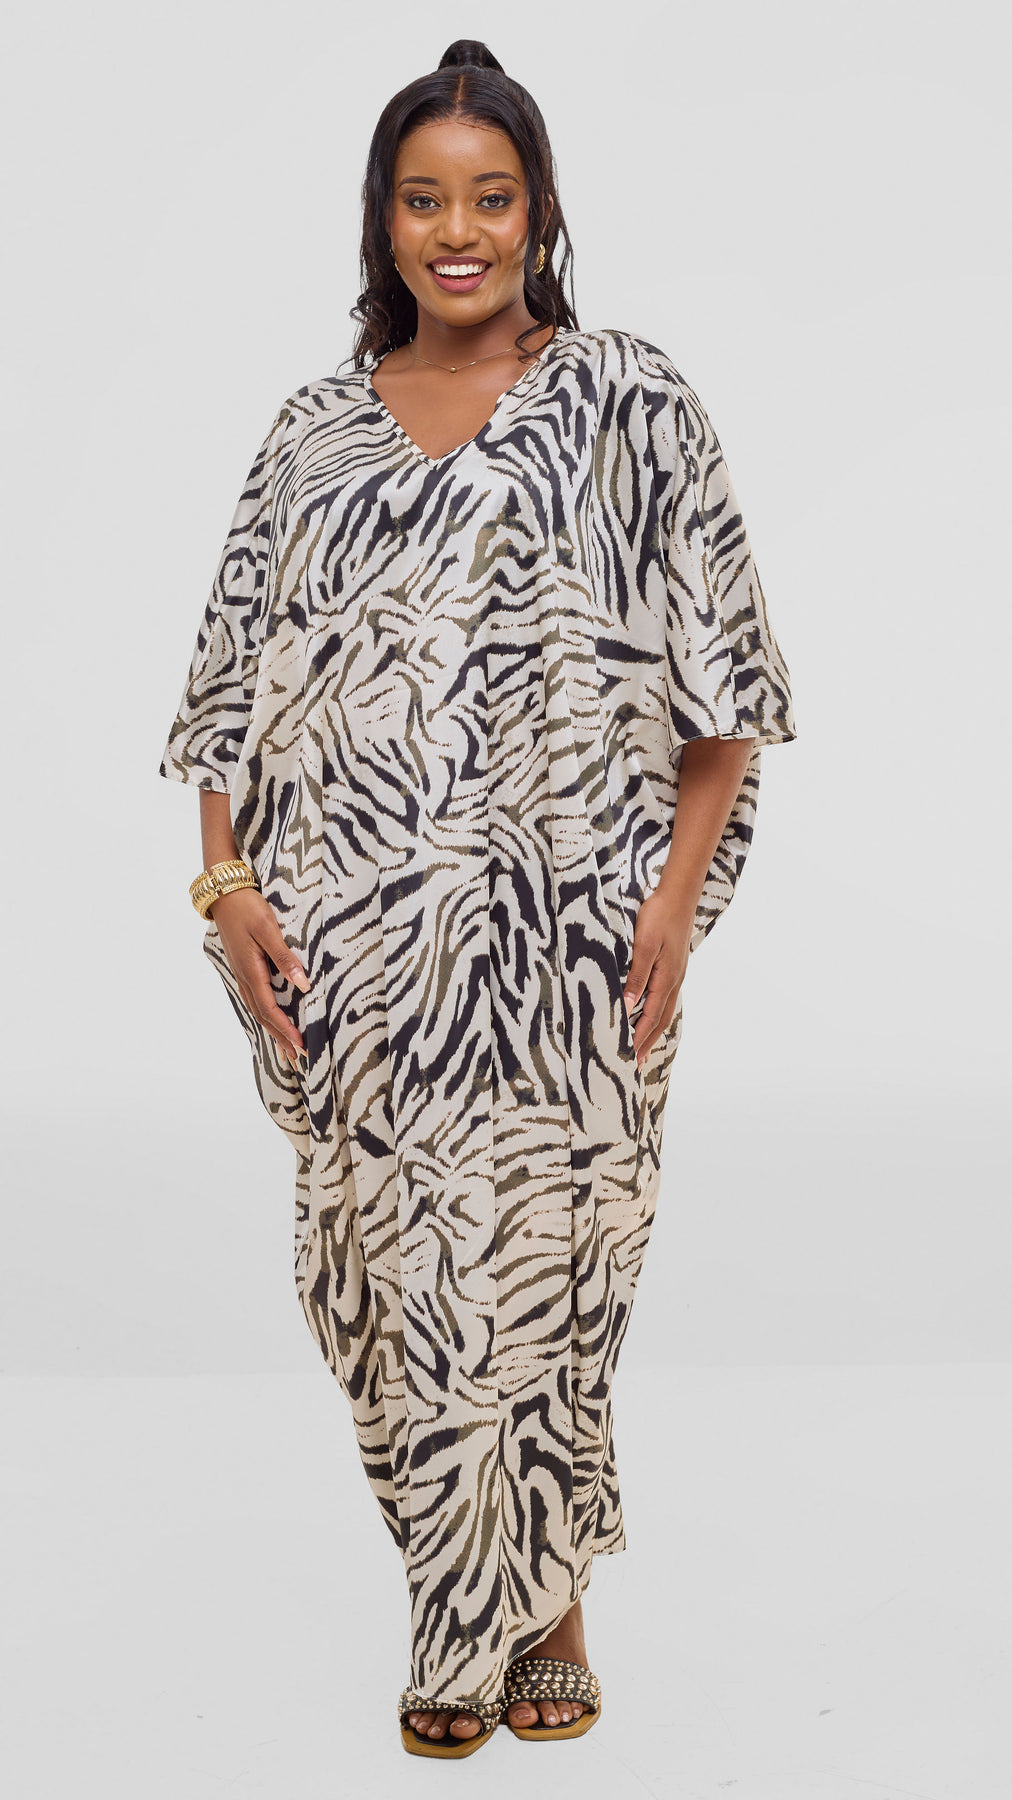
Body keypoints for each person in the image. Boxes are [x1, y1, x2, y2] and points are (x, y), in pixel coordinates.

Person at [158, 38, 797, 1760]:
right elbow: (229, 683)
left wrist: (668, 912)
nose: (460, 231)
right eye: (425, 199)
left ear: (540, 212)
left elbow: (728, 684)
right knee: (387, 1289)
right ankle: (476, 1581)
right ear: (383, 221)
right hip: (355, 948)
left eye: (492, 198)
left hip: (568, 950)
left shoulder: (632, 400)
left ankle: (524, 1613)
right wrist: (226, 883)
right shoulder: (310, 433)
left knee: (551, 1277)